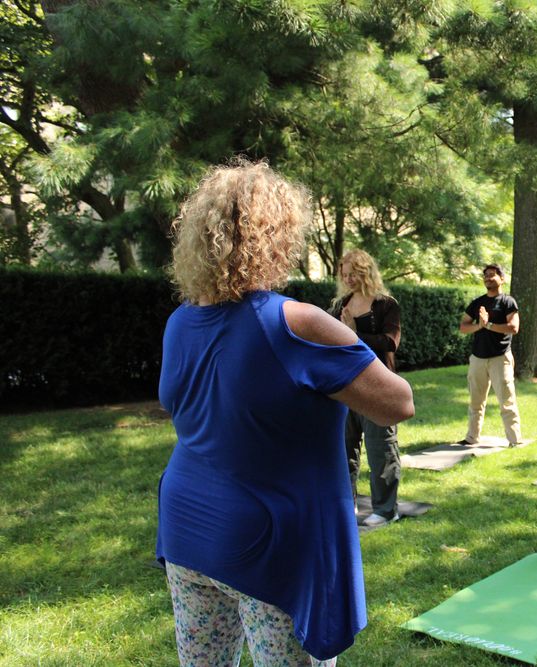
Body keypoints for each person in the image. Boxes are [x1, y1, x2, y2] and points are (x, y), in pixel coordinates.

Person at [156, 160, 414, 665]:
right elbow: (398, 402)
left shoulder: (179, 321)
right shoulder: (296, 323)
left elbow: (188, 406)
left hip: (187, 527)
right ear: (276, 238)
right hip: (269, 543)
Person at [329, 249, 403, 527]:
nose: (348, 279)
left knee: (380, 448)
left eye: (353, 274)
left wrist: (354, 334)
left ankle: (386, 510)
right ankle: (346, 506)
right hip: (346, 385)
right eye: (344, 274)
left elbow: (390, 342)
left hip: (377, 386)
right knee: (344, 449)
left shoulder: (386, 305)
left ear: (366, 272)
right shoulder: (341, 305)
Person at [456, 263, 523, 447]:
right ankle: (472, 438)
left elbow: (514, 327)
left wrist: (489, 325)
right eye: (485, 275)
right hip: (478, 358)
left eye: (492, 274)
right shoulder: (477, 303)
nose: (488, 278)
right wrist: (479, 325)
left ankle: (515, 440)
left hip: (500, 358)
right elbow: (463, 326)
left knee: (506, 401)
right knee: (475, 401)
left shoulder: (508, 302)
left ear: (502, 278)